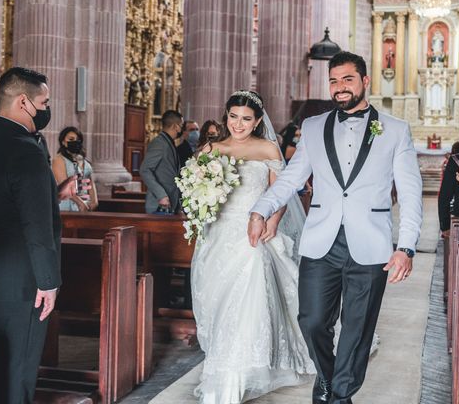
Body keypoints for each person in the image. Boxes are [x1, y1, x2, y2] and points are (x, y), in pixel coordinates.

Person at [249, 51, 423, 404]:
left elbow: (410, 192)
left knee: (356, 330)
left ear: (364, 82)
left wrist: (405, 247)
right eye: (334, 80)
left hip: (371, 245)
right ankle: (328, 380)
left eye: (347, 79)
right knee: (311, 320)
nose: (340, 87)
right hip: (321, 241)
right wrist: (260, 209)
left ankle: (338, 396)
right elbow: (290, 180)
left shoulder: (395, 130)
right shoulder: (313, 127)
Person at [190, 90, 314, 403]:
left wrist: (273, 221)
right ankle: (223, 363)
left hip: (253, 234)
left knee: (247, 299)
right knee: (218, 301)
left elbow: (282, 192)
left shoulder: (267, 147)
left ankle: (232, 375)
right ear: (226, 116)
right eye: (234, 117)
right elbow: (196, 190)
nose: (239, 124)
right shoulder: (211, 148)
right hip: (219, 234)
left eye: (246, 118)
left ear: (258, 121)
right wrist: (199, 204)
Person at [0, 67, 73, 403]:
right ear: (24, 102)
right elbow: (37, 224)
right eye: (44, 101)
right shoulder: (26, 150)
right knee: (19, 365)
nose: (46, 108)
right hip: (23, 278)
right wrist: (48, 282)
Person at [140, 110, 183, 214]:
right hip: (160, 205)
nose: (181, 129)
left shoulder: (167, 142)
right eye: (181, 125)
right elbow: (144, 170)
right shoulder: (159, 143)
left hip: (170, 204)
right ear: (176, 126)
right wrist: (161, 195)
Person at [52, 126, 98, 211]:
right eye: (71, 139)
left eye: (78, 139)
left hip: (85, 204)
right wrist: (80, 203)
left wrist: (94, 201)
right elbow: (65, 186)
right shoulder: (59, 160)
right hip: (67, 205)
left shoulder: (83, 160)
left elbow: (90, 182)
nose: (75, 142)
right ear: (63, 142)